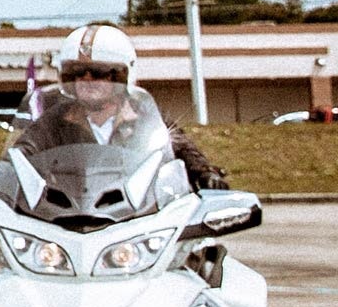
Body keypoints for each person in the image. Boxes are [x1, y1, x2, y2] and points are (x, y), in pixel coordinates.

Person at [46, 21, 228, 189]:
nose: (86, 79)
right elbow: (24, 152)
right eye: (77, 71)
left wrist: (205, 174)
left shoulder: (147, 118)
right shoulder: (54, 121)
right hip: (67, 214)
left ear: (122, 75)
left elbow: (183, 150)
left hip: (135, 214)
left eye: (98, 71)